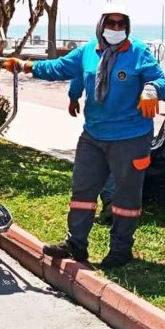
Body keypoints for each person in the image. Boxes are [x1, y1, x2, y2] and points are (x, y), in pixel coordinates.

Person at [3, 3, 165, 268]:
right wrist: (24, 66)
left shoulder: (138, 51)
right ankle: (76, 244)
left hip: (130, 137)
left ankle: (121, 249)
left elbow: (161, 80)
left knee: (125, 197)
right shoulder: (89, 51)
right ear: (101, 25)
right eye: (111, 23)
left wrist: (151, 90)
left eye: (121, 24)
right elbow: (60, 68)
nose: (116, 28)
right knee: (83, 189)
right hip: (94, 135)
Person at [69, 76, 116, 224]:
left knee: (98, 165)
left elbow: (78, 75)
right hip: (123, 125)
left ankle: (109, 203)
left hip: (102, 124)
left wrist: (73, 97)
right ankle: (111, 203)